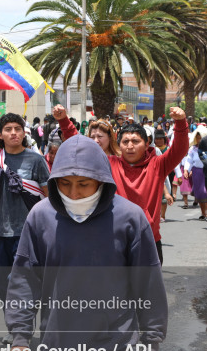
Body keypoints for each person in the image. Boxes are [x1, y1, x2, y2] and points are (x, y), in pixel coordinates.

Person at [5, 135, 167, 351]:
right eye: (65, 184)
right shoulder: (40, 217)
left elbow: (148, 284)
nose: (74, 193)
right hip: (57, 349)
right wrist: (20, 336)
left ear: (102, 181)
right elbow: (23, 280)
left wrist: (151, 341)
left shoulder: (130, 218)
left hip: (109, 349)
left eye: (83, 184)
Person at [59, 105, 189, 264]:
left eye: (135, 141)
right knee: (114, 288)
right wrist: (63, 120)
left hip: (148, 240)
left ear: (147, 144)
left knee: (147, 288)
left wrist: (181, 122)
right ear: (119, 145)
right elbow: (82, 148)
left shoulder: (158, 164)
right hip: (113, 240)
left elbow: (180, 149)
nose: (130, 146)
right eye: (125, 141)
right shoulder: (108, 164)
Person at [0, 112, 49, 345]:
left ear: (24, 132)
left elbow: (48, 196)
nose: (13, 133)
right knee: (3, 285)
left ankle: (22, 329)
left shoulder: (36, 161)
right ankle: (14, 326)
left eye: (18, 128)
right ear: (0, 134)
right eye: (8, 129)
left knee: (23, 283)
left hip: (29, 234)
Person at [182, 126, 207, 221]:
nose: (199, 140)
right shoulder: (193, 149)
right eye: (197, 138)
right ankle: (203, 213)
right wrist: (186, 170)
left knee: (206, 192)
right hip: (197, 172)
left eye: (201, 138)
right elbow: (189, 160)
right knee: (199, 193)